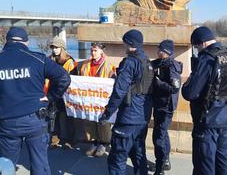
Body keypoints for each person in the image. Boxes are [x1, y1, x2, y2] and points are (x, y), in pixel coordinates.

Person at [0, 27, 71, 174]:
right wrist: (50, 97)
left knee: (5, 165)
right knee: (39, 164)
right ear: (26, 42)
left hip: (7, 121)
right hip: (35, 119)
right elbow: (64, 78)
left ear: (7, 41)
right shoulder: (38, 59)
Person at [181, 26, 227, 175]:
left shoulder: (206, 59)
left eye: (196, 47)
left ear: (202, 43)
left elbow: (190, 93)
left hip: (207, 120)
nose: (197, 50)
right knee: (223, 161)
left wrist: (187, 83)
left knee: (204, 164)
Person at [99, 29, 154, 175]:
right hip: (142, 116)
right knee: (139, 155)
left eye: (125, 43)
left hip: (128, 118)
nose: (124, 46)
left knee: (117, 158)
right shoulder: (147, 62)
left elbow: (119, 91)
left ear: (130, 43)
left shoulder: (130, 62)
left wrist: (108, 112)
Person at [77, 42, 116, 157]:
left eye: (95, 51)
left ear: (101, 52)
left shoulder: (109, 65)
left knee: (103, 123)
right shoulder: (85, 65)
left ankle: (103, 143)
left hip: (103, 99)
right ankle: (95, 141)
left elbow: (113, 82)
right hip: (90, 99)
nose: (93, 53)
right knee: (91, 121)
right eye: (92, 50)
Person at [151, 40, 182, 175]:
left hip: (166, 106)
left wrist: (158, 83)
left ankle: (161, 166)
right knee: (162, 134)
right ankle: (165, 161)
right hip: (158, 104)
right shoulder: (159, 63)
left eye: (160, 50)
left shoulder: (172, 66)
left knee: (159, 136)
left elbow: (174, 88)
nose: (158, 52)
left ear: (167, 52)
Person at [45, 36, 77, 149]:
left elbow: (73, 79)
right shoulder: (49, 60)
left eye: (56, 47)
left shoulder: (69, 62)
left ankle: (70, 141)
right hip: (53, 93)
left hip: (66, 94)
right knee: (53, 117)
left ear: (62, 48)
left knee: (69, 118)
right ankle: (54, 139)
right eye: (52, 47)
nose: (54, 49)